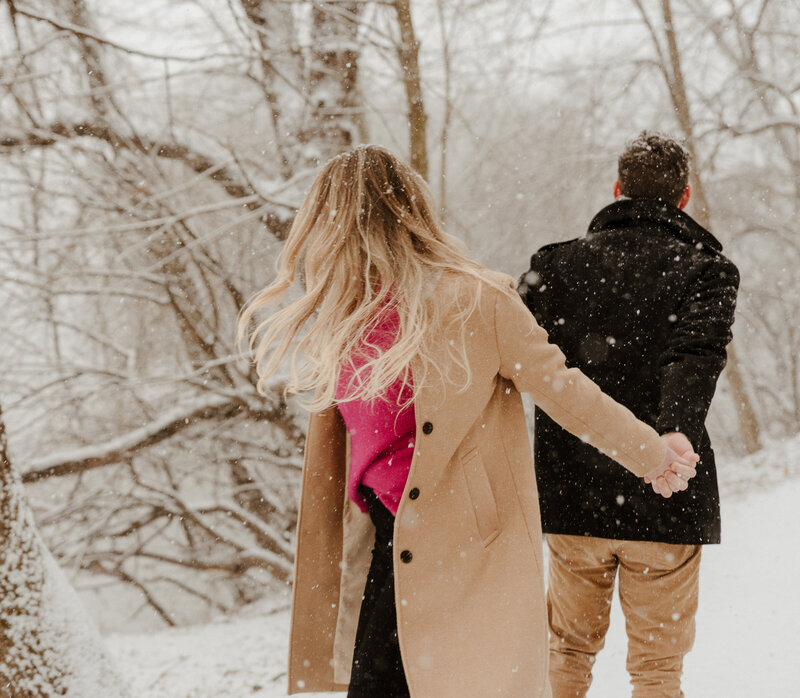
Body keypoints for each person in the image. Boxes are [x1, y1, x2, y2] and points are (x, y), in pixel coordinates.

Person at [239, 144, 698, 698]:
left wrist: (652, 455)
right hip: (388, 543)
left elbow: (564, 389)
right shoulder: (343, 315)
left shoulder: (476, 299)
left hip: (460, 545)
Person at [517, 131, 740, 698]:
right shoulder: (707, 271)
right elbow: (694, 356)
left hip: (572, 494)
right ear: (684, 197)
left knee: (564, 652)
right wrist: (675, 436)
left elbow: (519, 366)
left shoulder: (553, 267)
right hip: (665, 495)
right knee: (658, 672)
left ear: (617, 190)